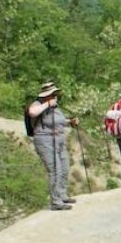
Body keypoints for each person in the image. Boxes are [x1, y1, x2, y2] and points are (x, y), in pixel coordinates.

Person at [27, 83, 78, 211]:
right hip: (45, 140)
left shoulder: (55, 106)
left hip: (59, 140)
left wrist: (69, 122)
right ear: (47, 95)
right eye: (54, 94)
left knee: (64, 167)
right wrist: (48, 104)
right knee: (55, 170)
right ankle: (56, 202)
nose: (56, 96)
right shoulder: (38, 104)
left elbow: (57, 121)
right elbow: (32, 113)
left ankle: (62, 195)